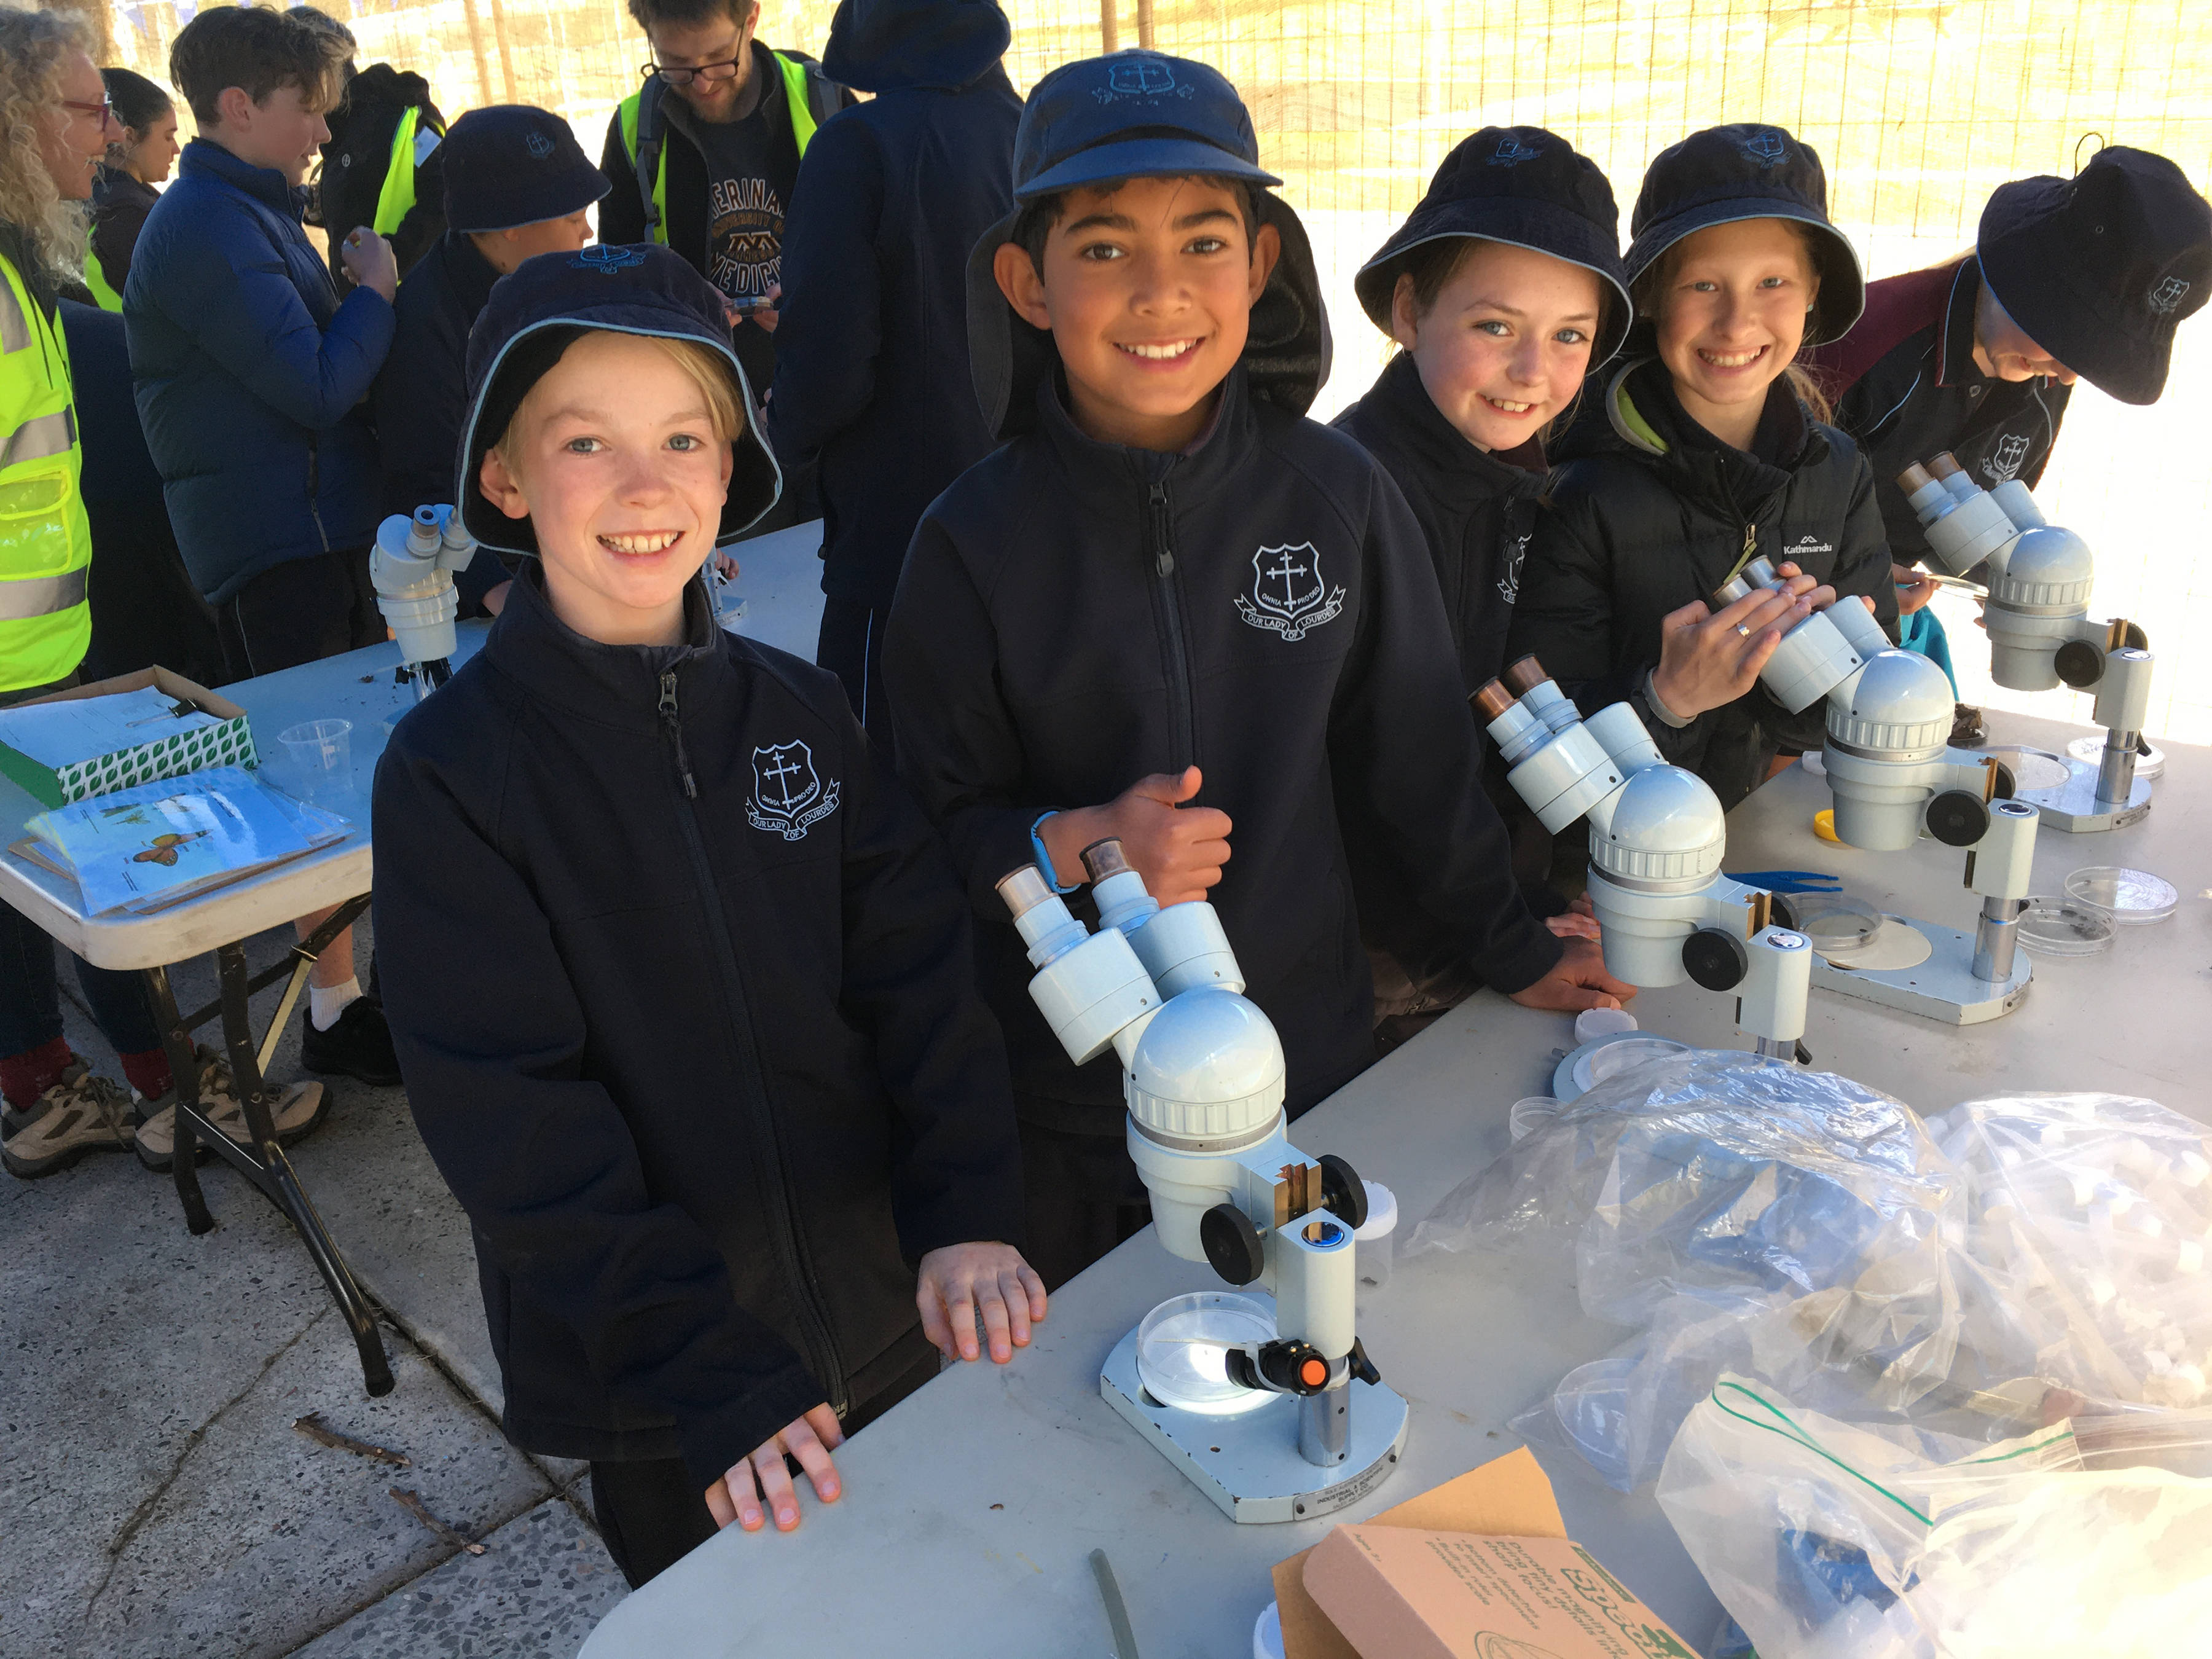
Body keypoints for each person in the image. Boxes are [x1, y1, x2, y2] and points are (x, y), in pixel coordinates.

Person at [884, 53, 1635, 1289]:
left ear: (1263, 263)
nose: (1162, 293)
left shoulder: (1337, 496)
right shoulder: (968, 543)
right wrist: (1074, 842)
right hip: (1076, 1101)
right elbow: (915, 838)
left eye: (1205, 243)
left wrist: (1510, 943)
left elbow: (1415, 765)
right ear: (1026, 280)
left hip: (1308, 1060)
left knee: (1315, 1352)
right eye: (1106, 249)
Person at [372, 243, 1045, 1588]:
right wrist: (700, 1364)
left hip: (887, 1303)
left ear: (730, 471)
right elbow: (512, 1117)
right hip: (670, 1386)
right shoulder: (454, 775)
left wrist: (967, 1203)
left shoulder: (803, 713)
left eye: (685, 437)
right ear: (504, 480)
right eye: (584, 443)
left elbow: (917, 979)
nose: (644, 485)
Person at [129, 2, 400, 1086]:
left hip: (315, 531)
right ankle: (330, 1009)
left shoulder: (253, 212)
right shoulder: (202, 227)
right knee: (309, 785)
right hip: (272, 548)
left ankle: (355, 995)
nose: (325, 136)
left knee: (352, 780)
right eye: (309, 112)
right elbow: (319, 384)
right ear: (239, 107)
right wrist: (373, 289)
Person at [1329, 125, 1632, 1038]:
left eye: (1569, 335)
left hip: (1463, 914)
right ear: (1409, 312)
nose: (1533, 372)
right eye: (1494, 325)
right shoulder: (1363, 496)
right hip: (1384, 958)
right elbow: (1409, 765)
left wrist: (1529, 902)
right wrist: (1513, 946)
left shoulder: (1497, 471)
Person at [1508, 124, 1897, 812]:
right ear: (1651, 295)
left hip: (1754, 837)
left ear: (1813, 292)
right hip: (1613, 873)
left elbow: (1841, 733)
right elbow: (1552, 781)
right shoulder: (1581, 489)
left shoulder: (1838, 472)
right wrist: (1668, 700)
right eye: (1704, 284)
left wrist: (1842, 680)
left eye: (1772, 282)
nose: (1737, 321)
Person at [1807, 146, 2212, 737]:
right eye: (2068, 338)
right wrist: (1852, 571)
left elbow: (1979, 516)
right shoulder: (1866, 345)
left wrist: (2009, 590)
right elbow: (1756, 509)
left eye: (2093, 354)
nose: (2070, 374)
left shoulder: (2042, 369)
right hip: (1804, 624)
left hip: (1891, 625)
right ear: (2020, 276)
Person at [0, 5, 176, 1177]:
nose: (107, 130)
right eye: (85, 106)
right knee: (83, 875)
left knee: (43, 888)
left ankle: (69, 1089)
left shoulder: (30, 268)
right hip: (20, 671)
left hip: (46, 655)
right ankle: (141, 1084)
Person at [767, 0, 1020, 740]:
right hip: (1028, 517)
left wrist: (779, 434)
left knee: (874, 769)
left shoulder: (855, 145)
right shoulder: (1032, 133)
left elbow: (830, 368)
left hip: (898, 540)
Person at [373, 104, 606, 619]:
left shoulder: (561, 284)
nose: (588, 232)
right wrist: (495, 589)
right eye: (572, 217)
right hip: (490, 599)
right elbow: (422, 479)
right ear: (508, 229)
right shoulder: (425, 324)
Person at [599, 0, 851, 443]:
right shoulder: (634, 129)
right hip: (702, 405)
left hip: (825, 390)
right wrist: (681, 299)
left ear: (750, 20)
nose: (702, 83)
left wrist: (818, 296)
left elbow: (881, 245)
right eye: (675, 65)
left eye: (718, 58)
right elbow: (616, 270)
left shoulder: (825, 102)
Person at [288, 7, 446, 291]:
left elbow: (443, 193)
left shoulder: (406, 118)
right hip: (366, 309)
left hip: (414, 306)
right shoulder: (336, 130)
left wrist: (389, 261)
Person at [84, 65, 176, 312]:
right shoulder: (129, 214)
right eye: (168, 136)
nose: (176, 149)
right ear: (130, 137)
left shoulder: (92, 195)